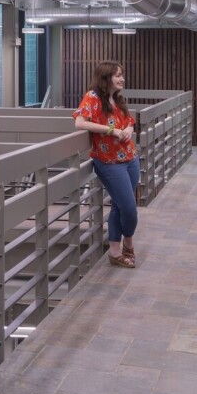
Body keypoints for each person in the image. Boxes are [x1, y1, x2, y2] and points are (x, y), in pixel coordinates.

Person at [73, 60, 142, 268]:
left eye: (122, 74)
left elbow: (129, 121)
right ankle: (128, 243)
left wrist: (129, 130)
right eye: (117, 75)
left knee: (120, 205)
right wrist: (109, 130)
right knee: (129, 209)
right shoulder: (92, 97)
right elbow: (80, 122)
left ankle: (114, 251)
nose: (122, 78)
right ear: (106, 77)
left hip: (130, 158)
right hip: (110, 163)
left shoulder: (117, 99)